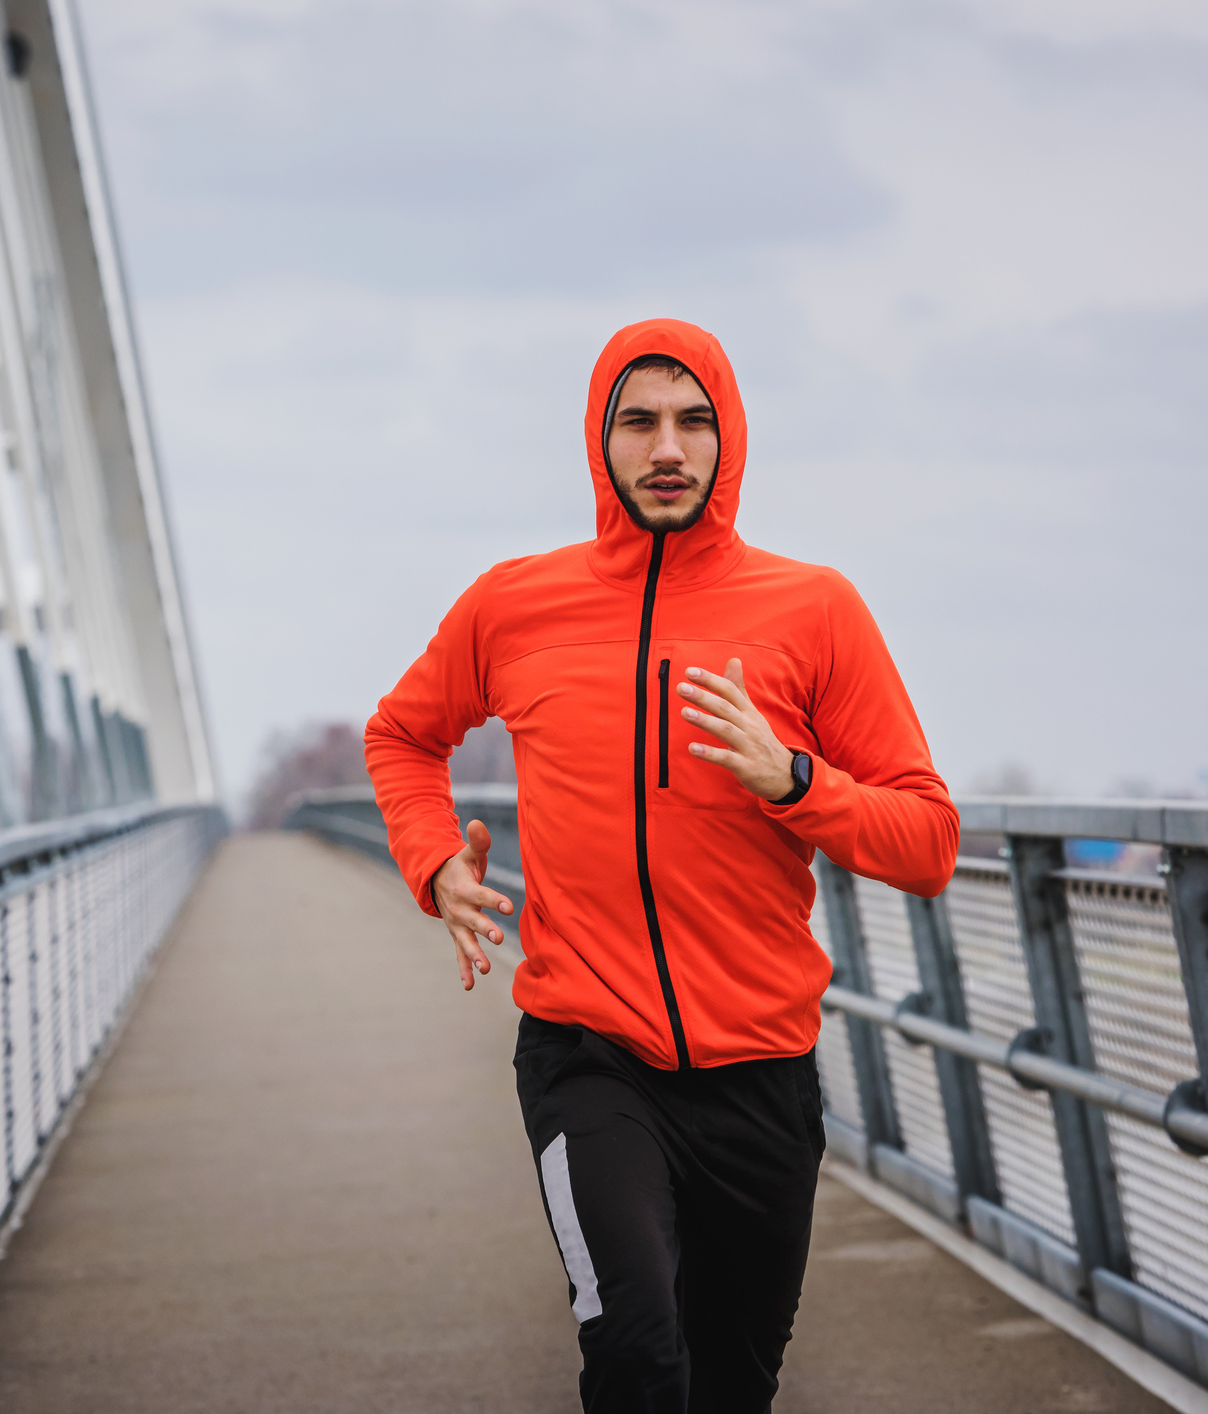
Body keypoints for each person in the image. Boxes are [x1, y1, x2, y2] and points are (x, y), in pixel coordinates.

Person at [363, 318, 959, 1413]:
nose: (667, 446)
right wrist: (434, 859)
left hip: (761, 1079)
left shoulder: (812, 609)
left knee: (729, 1389)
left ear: (729, 439)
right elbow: (401, 736)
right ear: (600, 441)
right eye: (638, 421)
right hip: (589, 1060)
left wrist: (794, 780)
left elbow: (927, 841)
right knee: (637, 1355)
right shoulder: (513, 603)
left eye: (694, 420)